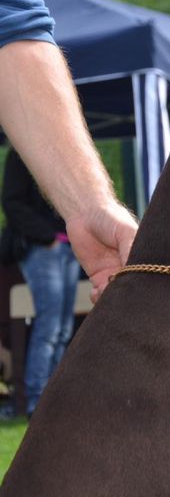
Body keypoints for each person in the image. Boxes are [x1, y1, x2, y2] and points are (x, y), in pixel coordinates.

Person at [0, 0, 138, 305]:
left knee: (56, 325)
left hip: (56, 245)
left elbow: (12, 22)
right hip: (43, 246)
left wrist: (91, 207)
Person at [2, 149, 81, 416]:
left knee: (63, 330)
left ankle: (54, 399)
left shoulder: (66, 154)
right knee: (49, 327)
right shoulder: (22, 152)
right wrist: (47, 237)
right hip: (43, 248)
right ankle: (37, 401)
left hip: (69, 247)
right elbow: (12, 202)